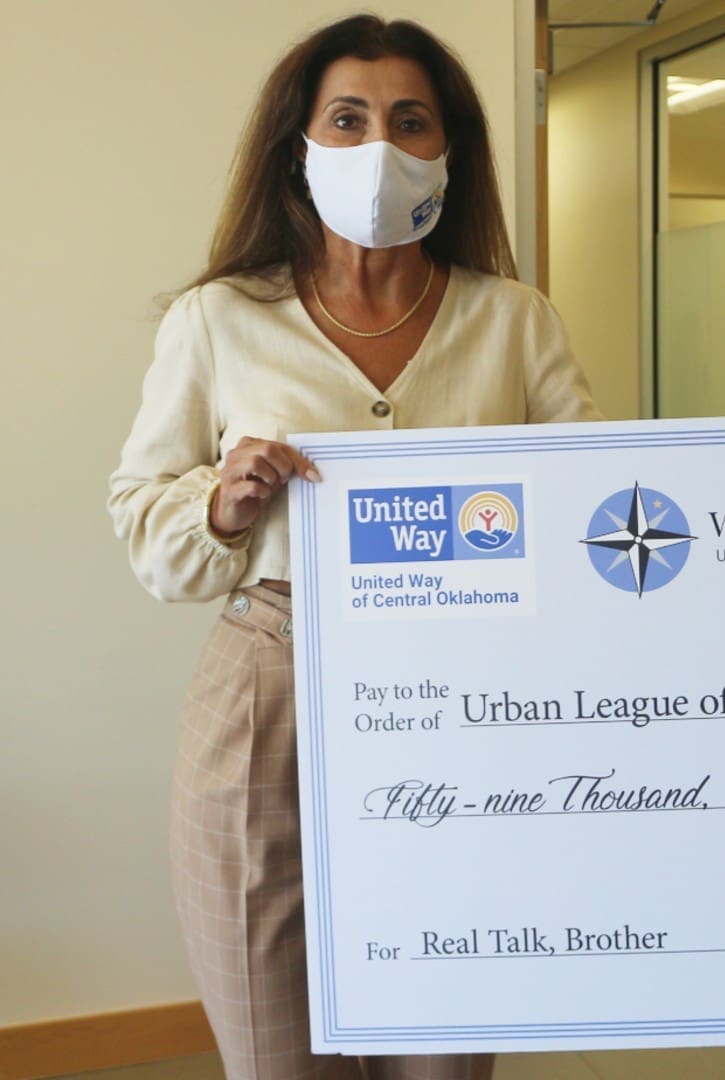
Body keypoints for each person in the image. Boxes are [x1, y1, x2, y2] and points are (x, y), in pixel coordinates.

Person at [108, 16, 596, 1079]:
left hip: (469, 701)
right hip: (269, 697)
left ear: (449, 149)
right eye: (349, 118)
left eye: (410, 121)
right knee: (277, 1040)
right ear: (301, 146)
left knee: (444, 1045)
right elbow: (143, 518)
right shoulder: (217, 318)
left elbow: (593, 504)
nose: (381, 145)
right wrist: (222, 506)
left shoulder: (514, 320)